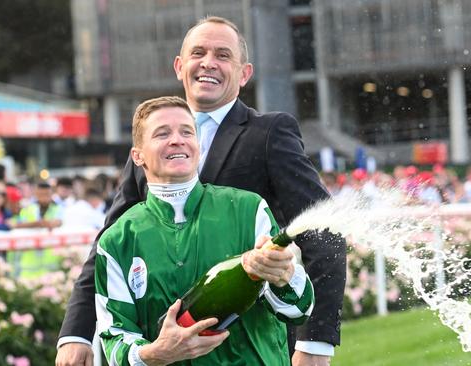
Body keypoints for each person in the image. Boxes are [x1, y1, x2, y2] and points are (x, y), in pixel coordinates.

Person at [57, 15, 346, 366]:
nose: (208, 62)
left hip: (252, 345)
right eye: (198, 53)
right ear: (180, 66)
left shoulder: (270, 133)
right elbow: (112, 241)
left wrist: (315, 345)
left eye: (223, 55)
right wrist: (76, 332)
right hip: (163, 349)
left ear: (244, 74)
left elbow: (323, 232)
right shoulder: (149, 145)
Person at [96, 96, 313, 365]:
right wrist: (153, 354)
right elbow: (115, 336)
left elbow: (299, 310)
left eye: (187, 131)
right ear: (137, 155)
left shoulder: (249, 209)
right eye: (162, 133)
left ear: (197, 144)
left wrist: (285, 276)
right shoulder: (117, 240)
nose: (177, 140)